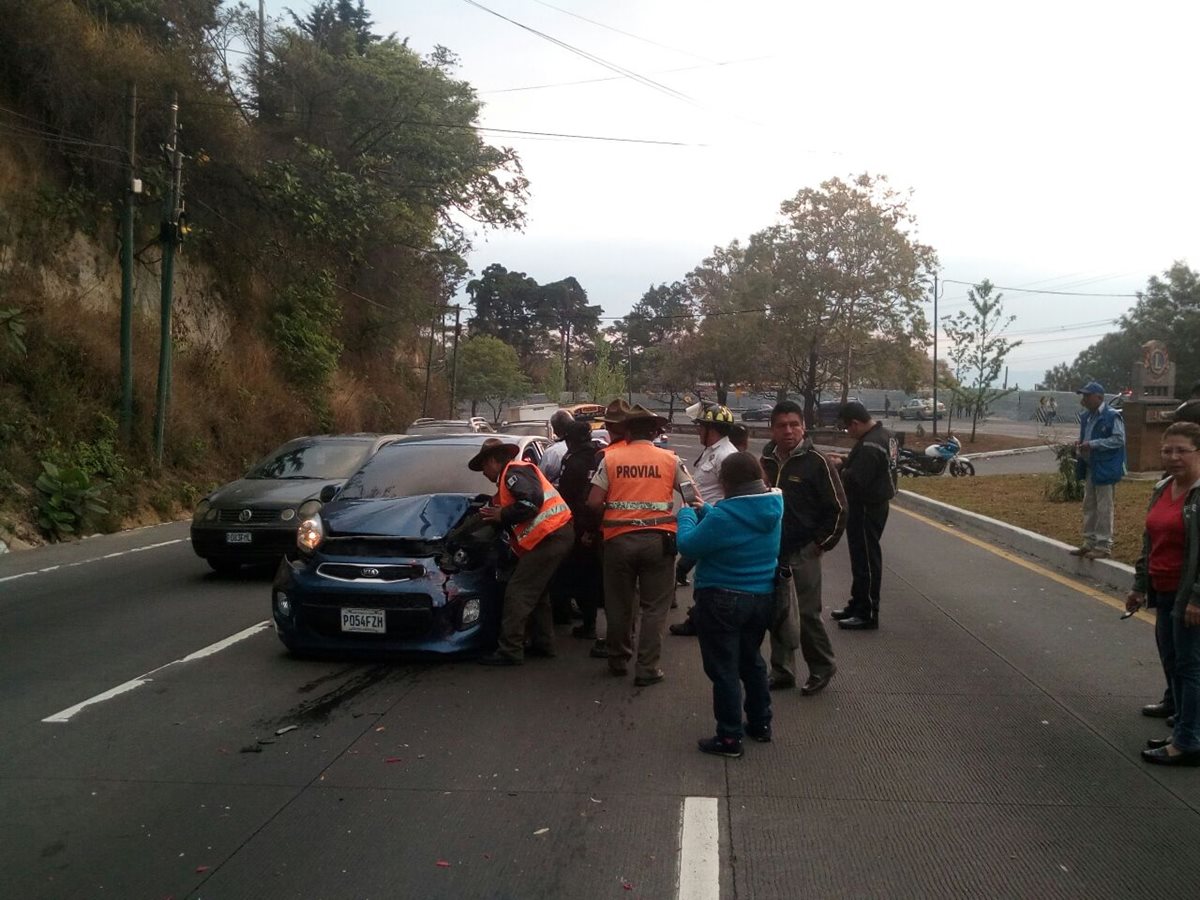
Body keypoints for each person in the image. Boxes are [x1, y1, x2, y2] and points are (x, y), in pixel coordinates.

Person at [677, 452, 783, 758]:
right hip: (761, 597)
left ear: (725, 482)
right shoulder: (772, 505)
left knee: (723, 669)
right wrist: (707, 510)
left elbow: (688, 544)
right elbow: (740, 524)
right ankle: (761, 723)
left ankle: (729, 737)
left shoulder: (725, 516)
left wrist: (686, 514)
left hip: (722, 599)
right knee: (752, 661)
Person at [587, 404, 697, 686]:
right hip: (658, 542)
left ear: (626, 431)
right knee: (655, 608)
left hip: (617, 542)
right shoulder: (670, 460)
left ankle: (618, 659)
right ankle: (647, 668)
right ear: (655, 431)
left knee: (619, 604)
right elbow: (692, 498)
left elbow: (593, 502)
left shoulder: (610, 459)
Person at [1126, 422, 1200, 766]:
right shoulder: (1163, 487)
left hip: (1190, 597)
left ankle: (1188, 741)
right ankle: (1184, 728)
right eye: (1167, 450)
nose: (1173, 457)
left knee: (1189, 667)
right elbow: (1149, 540)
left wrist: (1197, 597)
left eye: (1182, 450)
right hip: (1164, 590)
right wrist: (1140, 586)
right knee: (1174, 663)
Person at [761, 400, 847, 692]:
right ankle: (782, 670)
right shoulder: (766, 459)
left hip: (804, 551)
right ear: (772, 429)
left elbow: (838, 508)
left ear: (803, 426)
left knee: (807, 614)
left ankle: (822, 666)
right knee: (779, 612)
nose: (789, 430)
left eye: (794, 424)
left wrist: (819, 545)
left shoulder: (817, 462)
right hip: (773, 550)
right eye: (782, 425)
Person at [470, 438, 575, 666]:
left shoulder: (514, 472)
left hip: (551, 535)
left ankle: (510, 650)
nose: (483, 473)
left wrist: (503, 515)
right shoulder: (507, 483)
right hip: (553, 535)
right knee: (537, 592)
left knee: (518, 591)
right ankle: (543, 643)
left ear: (492, 461)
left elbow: (530, 503)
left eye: (483, 467)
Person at [829, 401, 895, 631]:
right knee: (860, 557)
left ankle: (867, 612)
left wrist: (839, 467)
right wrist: (848, 460)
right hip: (876, 503)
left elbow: (857, 479)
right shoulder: (885, 435)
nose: (848, 433)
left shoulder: (870, 445)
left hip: (867, 506)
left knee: (865, 560)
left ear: (855, 423)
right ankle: (857, 603)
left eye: (848, 428)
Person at [552, 422, 604, 640]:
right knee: (595, 575)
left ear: (570, 440)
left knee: (579, 575)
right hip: (601, 524)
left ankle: (586, 623)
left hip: (578, 524)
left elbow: (567, 495)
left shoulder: (572, 462)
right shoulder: (599, 456)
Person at [676, 403, 737, 588]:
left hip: (712, 519)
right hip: (702, 516)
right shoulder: (711, 452)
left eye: (701, 426)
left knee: (699, 560)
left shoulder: (726, 456)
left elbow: (732, 495)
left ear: (711, 429)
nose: (698, 431)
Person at [1069, 381, 1126, 561]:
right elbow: (1086, 436)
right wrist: (1081, 444)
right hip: (1091, 465)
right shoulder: (1087, 416)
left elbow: (1119, 439)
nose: (1083, 400)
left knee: (1104, 507)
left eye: (1087, 396)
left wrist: (1093, 444)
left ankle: (1103, 545)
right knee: (1089, 505)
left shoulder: (1111, 416)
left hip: (1106, 466)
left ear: (1099, 397)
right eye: (1083, 396)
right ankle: (1089, 542)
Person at [537, 410, 577, 486]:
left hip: (558, 495)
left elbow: (541, 481)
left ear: (555, 431)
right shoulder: (585, 446)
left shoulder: (551, 453)